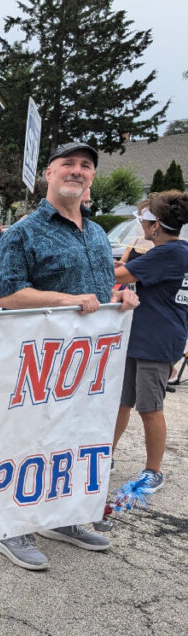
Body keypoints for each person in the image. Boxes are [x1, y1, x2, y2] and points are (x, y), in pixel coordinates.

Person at [0, 140, 139, 571]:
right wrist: (65, 298)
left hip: (86, 366)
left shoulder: (94, 233)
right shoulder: (24, 231)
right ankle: (8, 526)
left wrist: (119, 298)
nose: (77, 171)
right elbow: (5, 295)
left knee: (75, 439)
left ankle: (63, 518)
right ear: (49, 174)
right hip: (35, 362)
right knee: (26, 441)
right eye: (67, 164)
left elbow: (94, 292)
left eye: (85, 166)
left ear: (92, 177)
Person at [110, 191, 188, 494]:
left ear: (155, 226)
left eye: (143, 220)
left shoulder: (167, 253)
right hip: (145, 337)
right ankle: (107, 456)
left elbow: (120, 275)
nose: (140, 226)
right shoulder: (175, 252)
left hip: (155, 341)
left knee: (149, 407)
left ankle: (153, 471)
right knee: (122, 401)